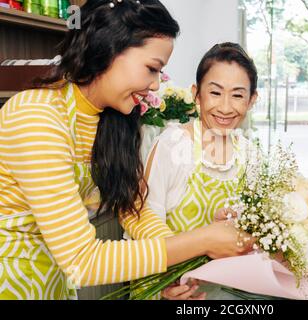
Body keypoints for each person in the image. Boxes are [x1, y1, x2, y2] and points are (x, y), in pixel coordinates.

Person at [0, 1, 252, 300]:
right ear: (107, 48)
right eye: (151, 68)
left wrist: (173, 271)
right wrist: (200, 241)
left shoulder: (111, 120)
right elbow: (83, 260)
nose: (157, 85)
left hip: (53, 283)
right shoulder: (35, 115)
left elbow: (132, 208)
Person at [140, 43, 258, 299]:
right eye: (215, 93)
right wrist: (162, 290)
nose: (225, 108)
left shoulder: (250, 154)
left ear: (252, 100)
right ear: (197, 94)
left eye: (237, 95)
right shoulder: (172, 146)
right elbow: (143, 230)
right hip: (174, 292)